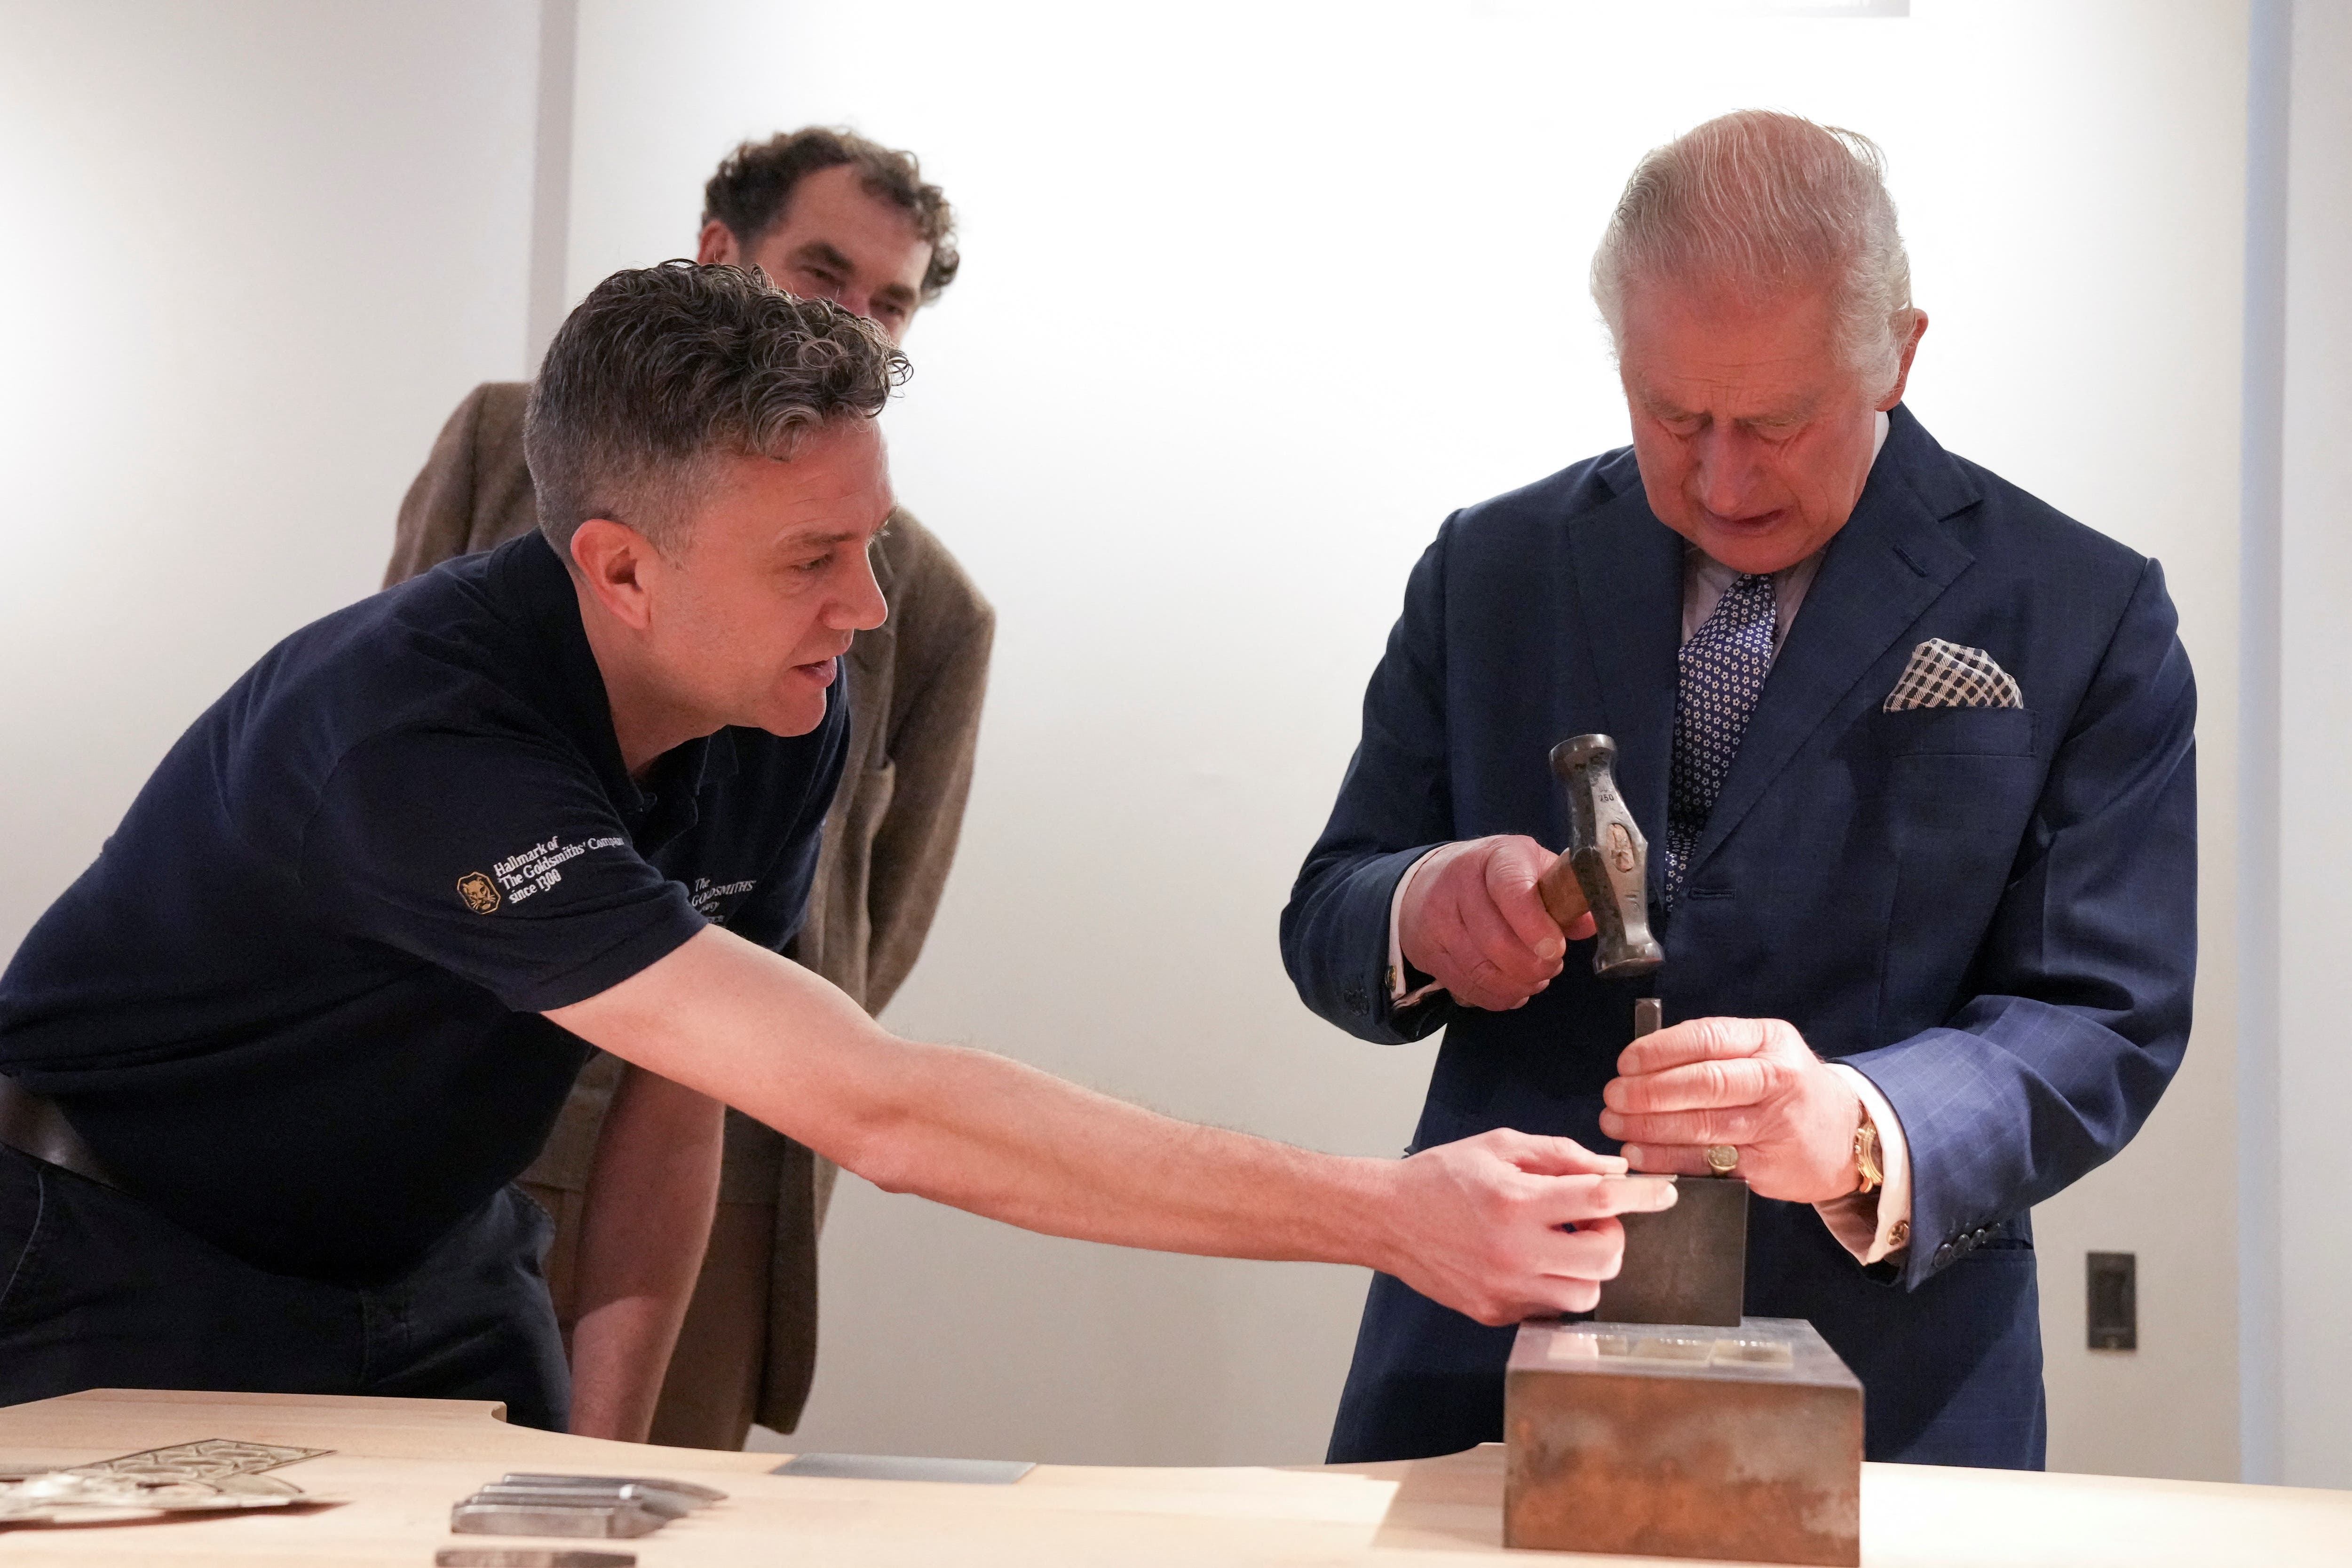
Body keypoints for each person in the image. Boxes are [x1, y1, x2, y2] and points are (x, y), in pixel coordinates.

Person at [0, 261, 1675, 1434]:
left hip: (434, 1260)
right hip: (120, 1255)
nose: (866, 609)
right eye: (812, 557)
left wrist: (610, 1464)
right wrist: (1383, 1213)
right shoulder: (412, 739)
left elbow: (685, 1095)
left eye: (869, 544)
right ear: (619, 568)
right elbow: (872, 1106)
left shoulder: (784, 708)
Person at [1281, 111, 2194, 1470]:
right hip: (1492, 1357)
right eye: (1670, 414)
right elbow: (1330, 911)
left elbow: (2103, 1017)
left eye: (1774, 422)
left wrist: (1856, 1124)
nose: (1719, 477)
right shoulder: (1491, 568)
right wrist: (1420, 912)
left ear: (1896, 354)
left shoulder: (2079, 608)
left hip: (1892, 1385)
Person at [387, 127, 988, 1448]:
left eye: (889, 300)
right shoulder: (512, 446)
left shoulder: (927, 606)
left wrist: (750, 1040)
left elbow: (874, 918)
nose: (852, 317)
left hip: (725, 1138)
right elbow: (396, 767)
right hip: (461, 1086)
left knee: (651, 1498)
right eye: (822, 270)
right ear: (719, 252)